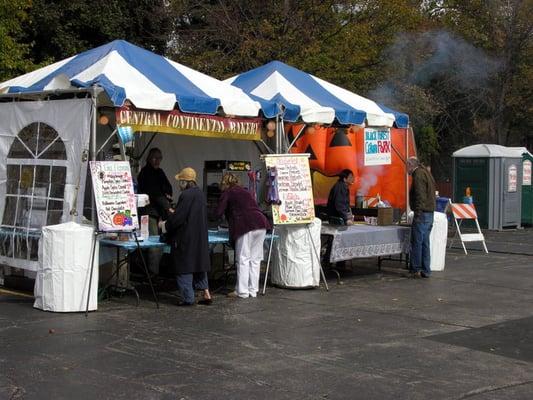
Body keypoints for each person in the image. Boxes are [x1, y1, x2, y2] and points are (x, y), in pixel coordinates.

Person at [159, 167, 212, 306]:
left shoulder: (186, 195)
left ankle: (188, 298)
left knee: (184, 267)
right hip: (200, 236)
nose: (179, 184)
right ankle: (206, 293)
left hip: (186, 237)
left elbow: (178, 218)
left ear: (184, 182)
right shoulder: (200, 194)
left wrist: (165, 226)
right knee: (199, 265)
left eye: (180, 181)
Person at [215, 173, 271, 299]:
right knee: (255, 259)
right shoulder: (245, 191)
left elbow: (218, 212)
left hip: (245, 225)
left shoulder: (228, 192)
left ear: (224, 183)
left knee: (243, 259)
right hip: (261, 223)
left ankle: (242, 291)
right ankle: (253, 290)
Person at [137, 148, 173, 274]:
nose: (158, 160)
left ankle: (156, 270)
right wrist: (167, 205)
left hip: (160, 213)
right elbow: (155, 193)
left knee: (160, 242)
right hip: (149, 213)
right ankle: (153, 274)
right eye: (155, 158)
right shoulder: (145, 173)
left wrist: (166, 195)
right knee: (153, 244)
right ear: (149, 158)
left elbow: (169, 188)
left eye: (160, 158)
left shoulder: (160, 172)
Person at [407, 157, 436, 278]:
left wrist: (417, 213)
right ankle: (426, 269)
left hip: (422, 213)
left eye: (406, 166)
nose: (406, 169)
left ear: (410, 165)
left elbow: (420, 195)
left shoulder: (418, 174)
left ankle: (416, 269)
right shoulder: (425, 172)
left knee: (417, 242)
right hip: (429, 212)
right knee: (425, 242)